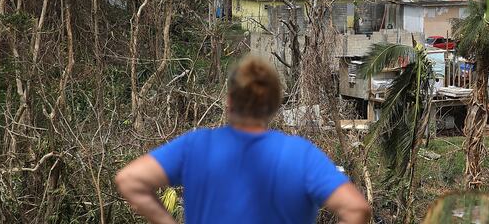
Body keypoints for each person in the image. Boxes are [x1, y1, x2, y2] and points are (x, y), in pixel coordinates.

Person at [115, 56, 371, 224]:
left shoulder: (196, 147)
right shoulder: (301, 155)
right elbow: (356, 209)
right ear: (274, 105)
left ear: (229, 101)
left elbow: (130, 180)